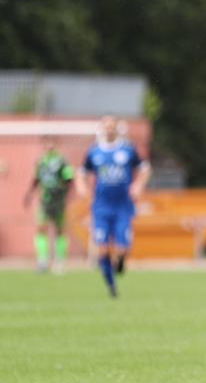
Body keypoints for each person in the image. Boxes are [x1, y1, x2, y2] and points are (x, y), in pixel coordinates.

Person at [75, 116, 152, 297]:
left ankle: (120, 262)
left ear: (117, 129)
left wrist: (139, 185)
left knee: (121, 249)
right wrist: (81, 187)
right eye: (106, 127)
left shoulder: (127, 149)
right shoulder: (94, 152)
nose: (109, 130)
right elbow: (81, 173)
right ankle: (111, 286)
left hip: (122, 207)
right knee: (101, 248)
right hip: (101, 208)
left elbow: (145, 168)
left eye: (112, 127)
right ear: (102, 129)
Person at [23, 136, 74, 273]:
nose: (49, 146)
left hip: (59, 201)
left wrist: (61, 190)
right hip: (44, 200)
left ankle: (60, 261)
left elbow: (70, 179)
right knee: (41, 228)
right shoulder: (41, 161)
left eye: (52, 143)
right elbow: (36, 179)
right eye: (47, 143)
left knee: (60, 229)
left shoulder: (62, 161)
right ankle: (42, 260)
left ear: (57, 144)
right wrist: (29, 194)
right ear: (43, 145)